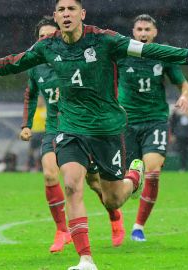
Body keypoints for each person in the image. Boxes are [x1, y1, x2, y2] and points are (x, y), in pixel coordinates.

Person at [0, 0, 188, 268]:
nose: (65, 14)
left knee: (113, 199)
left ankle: (134, 175)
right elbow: (12, 62)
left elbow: (150, 50)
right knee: (73, 186)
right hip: (70, 127)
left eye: (71, 9)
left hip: (106, 129)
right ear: (55, 15)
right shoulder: (48, 46)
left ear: (82, 14)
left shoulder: (104, 40)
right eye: (61, 10)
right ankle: (85, 258)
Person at [19, 16, 125, 252]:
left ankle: (115, 216)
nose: (46, 39)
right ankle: (61, 230)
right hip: (54, 128)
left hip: (82, 126)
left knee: (96, 184)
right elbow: (30, 94)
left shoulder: (72, 60)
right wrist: (25, 124)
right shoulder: (36, 69)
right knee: (49, 175)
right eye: (41, 37)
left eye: (49, 35)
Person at [116, 14, 188, 242]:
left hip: (155, 119)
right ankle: (129, 190)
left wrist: (185, 96)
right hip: (126, 121)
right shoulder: (121, 53)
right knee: (126, 174)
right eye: (139, 29)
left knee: (153, 170)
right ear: (133, 32)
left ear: (155, 32)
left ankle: (138, 227)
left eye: (147, 29)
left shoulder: (163, 55)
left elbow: (184, 84)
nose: (143, 33)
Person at [27, 95, 46, 172]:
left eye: (41, 100)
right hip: (34, 133)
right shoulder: (33, 110)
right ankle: (31, 166)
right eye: (38, 100)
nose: (39, 102)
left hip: (43, 132)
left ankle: (41, 167)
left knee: (41, 151)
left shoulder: (45, 110)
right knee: (31, 150)